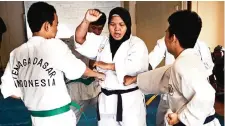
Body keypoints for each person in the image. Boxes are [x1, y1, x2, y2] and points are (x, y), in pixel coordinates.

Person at [0, 2, 105, 126]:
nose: (57, 29)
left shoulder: (16, 53)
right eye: (56, 25)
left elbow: (8, 89)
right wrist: (99, 75)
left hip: (36, 119)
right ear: (46, 26)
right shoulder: (54, 45)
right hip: (60, 119)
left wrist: (33, 93)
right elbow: (78, 70)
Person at [124, 10, 221, 126]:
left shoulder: (183, 63)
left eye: (167, 31)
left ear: (173, 37)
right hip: (180, 103)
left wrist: (181, 118)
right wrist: (136, 79)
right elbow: (164, 73)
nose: (165, 35)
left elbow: (206, 94)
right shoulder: (187, 59)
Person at [74, 7, 149, 126]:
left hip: (130, 101)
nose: (117, 29)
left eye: (121, 24)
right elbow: (79, 39)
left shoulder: (136, 43)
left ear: (127, 25)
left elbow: (135, 66)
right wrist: (86, 20)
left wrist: (106, 65)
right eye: (112, 24)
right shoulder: (102, 42)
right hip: (106, 100)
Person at [149, 37, 214, 126]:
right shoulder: (166, 41)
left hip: (191, 97)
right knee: (162, 121)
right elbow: (152, 60)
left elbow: (208, 68)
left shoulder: (201, 45)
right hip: (169, 95)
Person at [65, 8, 107, 123]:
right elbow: (79, 68)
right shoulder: (74, 42)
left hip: (95, 89)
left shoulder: (102, 43)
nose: (96, 32)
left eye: (99, 29)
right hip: (76, 91)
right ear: (88, 25)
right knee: (69, 121)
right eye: (93, 28)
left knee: (108, 117)